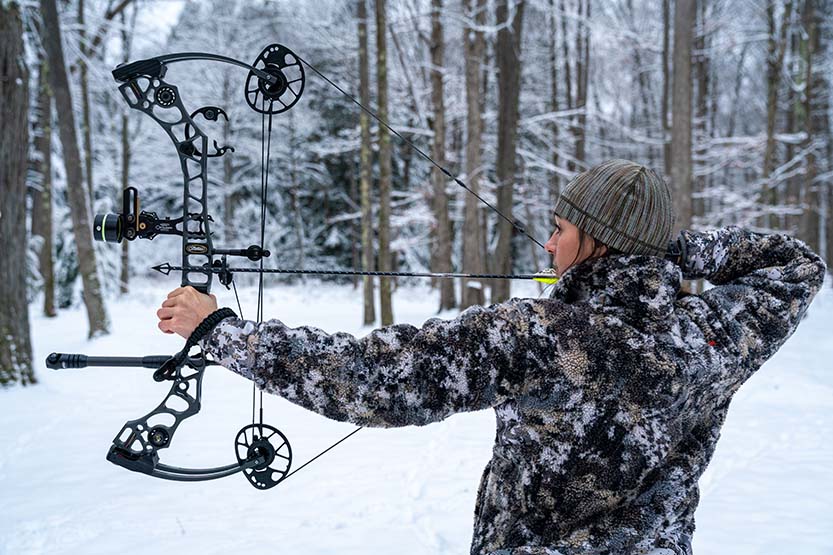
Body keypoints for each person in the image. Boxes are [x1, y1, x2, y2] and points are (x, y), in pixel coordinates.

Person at [157, 159, 826, 555]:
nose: (547, 246)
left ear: (595, 239)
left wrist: (218, 328)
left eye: (560, 229)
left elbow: (369, 378)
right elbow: (795, 264)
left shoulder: (537, 332)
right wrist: (667, 247)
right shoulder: (710, 335)